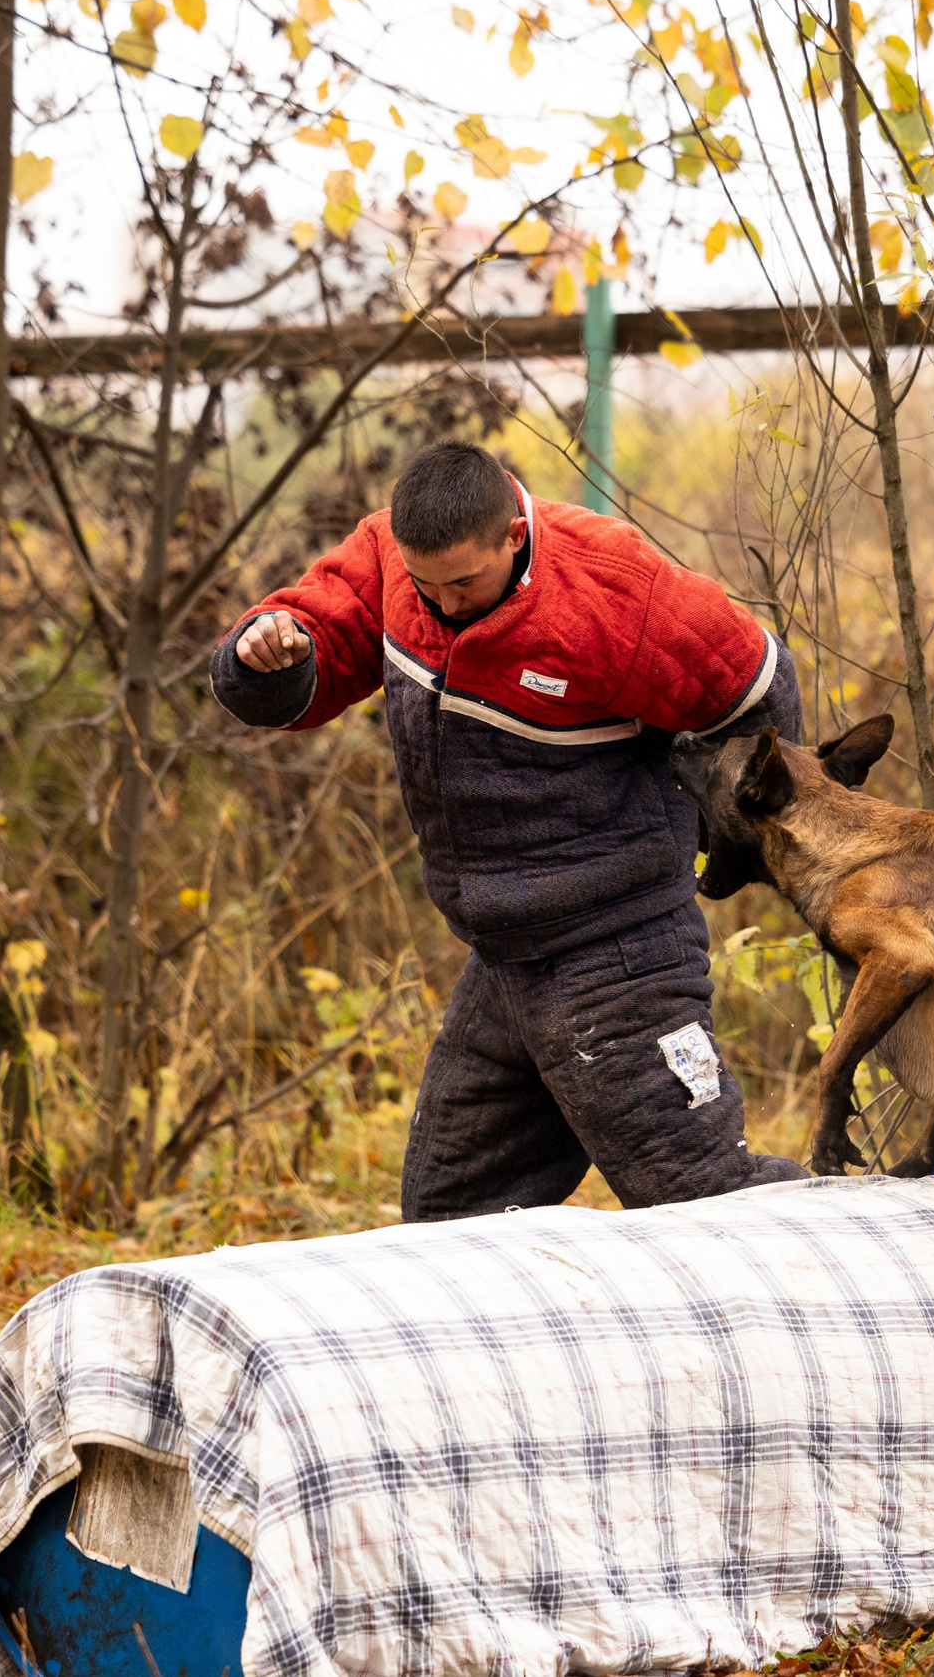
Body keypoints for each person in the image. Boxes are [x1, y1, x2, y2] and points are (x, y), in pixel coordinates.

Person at [211, 441, 809, 1220]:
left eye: (464, 582)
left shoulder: (612, 588)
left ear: (513, 537)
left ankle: (874, 1288)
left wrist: (721, 844)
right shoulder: (392, 561)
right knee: (451, 1214)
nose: (445, 604)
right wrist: (266, 654)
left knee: (702, 1202)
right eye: (428, 585)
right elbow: (311, 657)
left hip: (618, 953)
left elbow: (758, 686)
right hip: (503, 958)